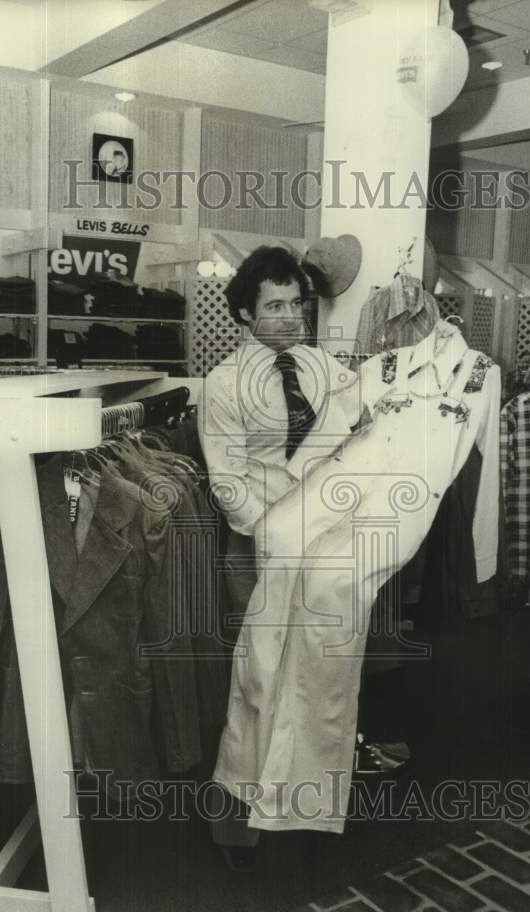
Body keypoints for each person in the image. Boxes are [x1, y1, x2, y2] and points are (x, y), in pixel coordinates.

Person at [199, 245, 366, 869]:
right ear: (244, 314)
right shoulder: (222, 385)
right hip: (259, 544)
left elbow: (359, 429)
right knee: (256, 682)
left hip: (323, 545)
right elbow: (227, 478)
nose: (291, 316)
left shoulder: (326, 369)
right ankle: (236, 828)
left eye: (298, 304)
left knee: (316, 679)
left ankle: (298, 812)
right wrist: (275, 535)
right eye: (275, 306)